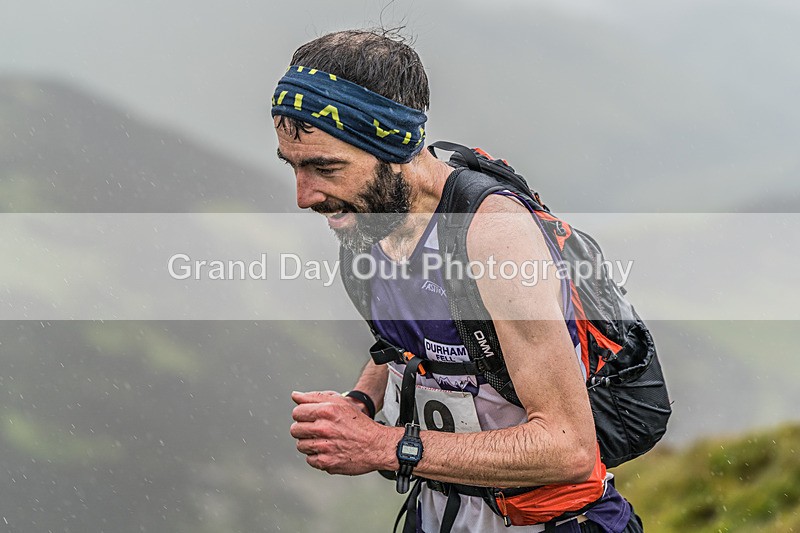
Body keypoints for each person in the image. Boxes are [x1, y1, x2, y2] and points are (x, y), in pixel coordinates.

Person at [275, 29, 644, 532]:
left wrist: (382, 445)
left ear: (392, 148)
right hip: (440, 513)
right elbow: (410, 337)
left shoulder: (493, 235)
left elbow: (569, 447)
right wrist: (363, 401)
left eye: (325, 167)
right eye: (293, 166)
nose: (305, 195)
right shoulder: (370, 219)